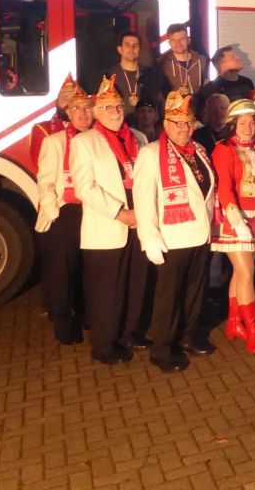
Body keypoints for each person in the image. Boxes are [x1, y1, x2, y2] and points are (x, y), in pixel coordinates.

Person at [133, 88, 217, 372]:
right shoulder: (150, 154)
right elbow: (143, 199)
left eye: (188, 123)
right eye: (178, 123)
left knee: (194, 292)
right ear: (166, 124)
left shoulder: (199, 150)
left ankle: (187, 336)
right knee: (168, 296)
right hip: (171, 237)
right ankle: (162, 348)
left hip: (200, 234)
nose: (184, 128)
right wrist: (149, 237)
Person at [69, 75, 149, 365]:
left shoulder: (138, 138)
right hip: (108, 226)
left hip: (140, 224)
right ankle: (104, 345)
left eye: (118, 106)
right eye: (107, 107)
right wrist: (120, 213)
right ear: (96, 112)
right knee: (106, 291)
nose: (114, 111)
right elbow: (84, 188)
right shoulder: (84, 142)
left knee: (135, 284)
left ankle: (129, 333)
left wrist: (145, 213)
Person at [34, 78, 93, 344]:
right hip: (64, 211)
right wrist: (55, 213)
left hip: (92, 211)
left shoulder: (97, 139)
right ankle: (63, 322)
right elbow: (45, 182)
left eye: (87, 108)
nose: (82, 114)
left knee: (87, 268)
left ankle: (86, 314)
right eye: (76, 109)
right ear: (67, 113)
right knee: (62, 273)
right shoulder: (55, 141)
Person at [211, 98, 255, 353]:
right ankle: (253, 329)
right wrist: (236, 220)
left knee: (239, 272)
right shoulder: (224, 149)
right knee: (246, 271)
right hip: (234, 218)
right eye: (242, 123)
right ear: (232, 124)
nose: (248, 128)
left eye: (252, 123)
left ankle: (233, 322)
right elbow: (224, 187)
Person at [105, 32, 159, 125]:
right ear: (120, 49)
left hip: (145, 128)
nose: (131, 48)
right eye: (127, 45)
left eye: (135, 45)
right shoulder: (109, 76)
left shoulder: (149, 74)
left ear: (139, 49)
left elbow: (157, 103)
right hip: (120, 127)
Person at [29, 73, 76, 174]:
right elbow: (42, 168)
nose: (70, 103)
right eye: (64, 98)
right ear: (56, 103)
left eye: (74, 98)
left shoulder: (91, 127)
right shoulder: (43, 129)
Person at [195, 45, 255, 119]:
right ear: (222, 65)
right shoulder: (210, 89)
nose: (238, 58)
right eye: (233, 57)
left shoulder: (247, 83)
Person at [157, 23, 208, 97]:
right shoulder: (162, 64)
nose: (178, 43)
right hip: (174, 104)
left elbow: (207, 87)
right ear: (169, 43)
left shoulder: (201, 60)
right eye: (173, 40)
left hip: (198, 104)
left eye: (181, 39)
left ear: (188, 40)